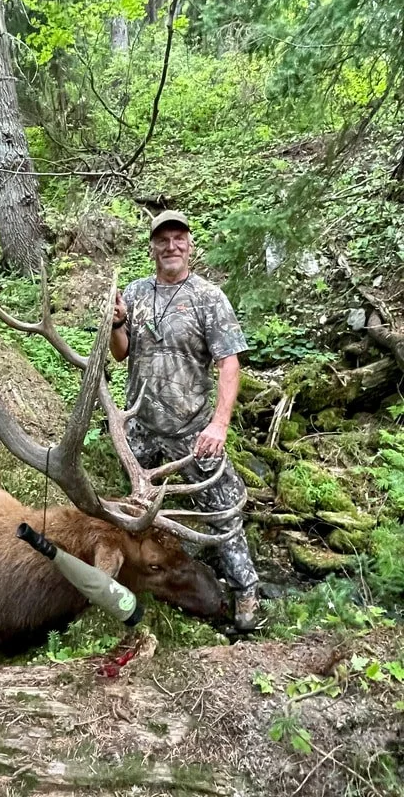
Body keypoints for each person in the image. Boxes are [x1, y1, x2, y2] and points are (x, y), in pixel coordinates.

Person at [110, 209, 259, 631]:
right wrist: (118, 323)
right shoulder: (136, 292)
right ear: (153, 246)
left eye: (178, 239)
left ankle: (244, 587)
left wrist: (219, 425)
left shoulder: (208, 298)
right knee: (139, 513)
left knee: (224, 508)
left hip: (193, 432)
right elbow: (120, 353)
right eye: (163, 240)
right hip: (139, 431)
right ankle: (150, 581)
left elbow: (230, 364)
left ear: (189, 245)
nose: (171, 246)